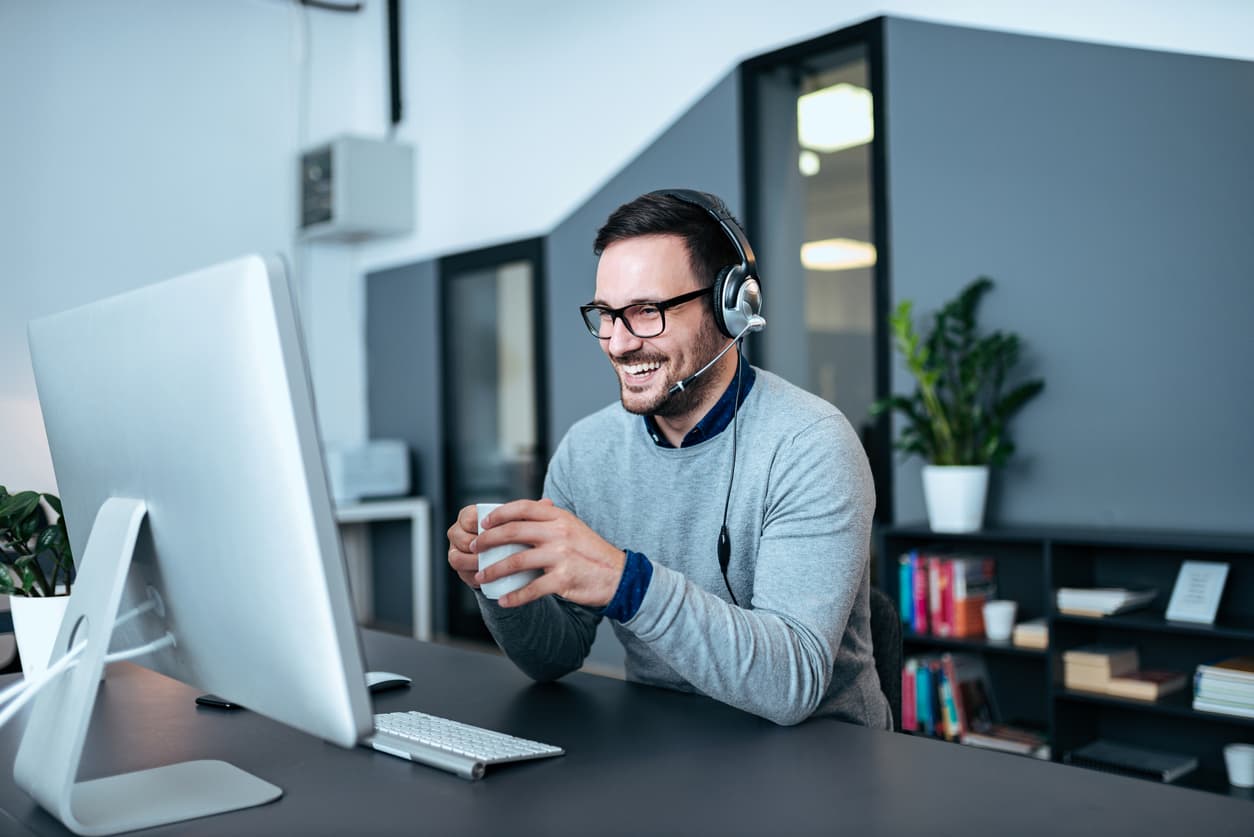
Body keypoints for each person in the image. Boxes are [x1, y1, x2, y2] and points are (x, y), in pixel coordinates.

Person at [446, 189, 889, 728]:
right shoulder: (587, 452)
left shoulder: (811, 445)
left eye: (646, 312)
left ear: (731, 307)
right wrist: (501, 580)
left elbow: (791, 684)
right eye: (606, 314)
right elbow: (553, 656)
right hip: (664, 747)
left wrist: (626, 583)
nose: (617, 342)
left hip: (821, 767)